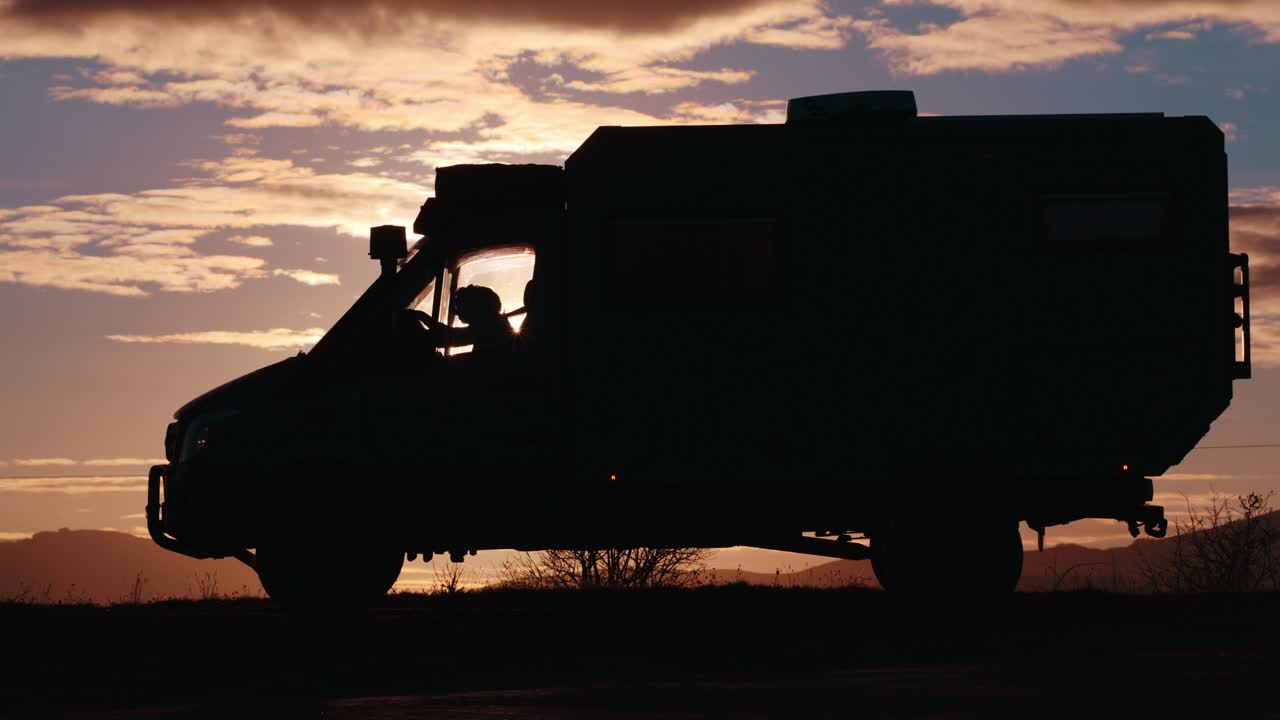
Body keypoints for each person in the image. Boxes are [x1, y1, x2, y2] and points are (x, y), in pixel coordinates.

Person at [405, 284, 516, 355]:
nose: (456, 312)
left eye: (461, 306)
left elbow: (449, 337)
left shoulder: (491, 326)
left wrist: (421, 318)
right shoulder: (496, 324)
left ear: (475, 307)